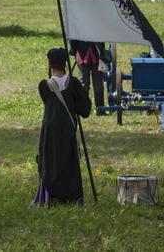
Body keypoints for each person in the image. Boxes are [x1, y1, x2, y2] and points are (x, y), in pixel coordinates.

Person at [32, 48, 92, 207]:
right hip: (67, 129)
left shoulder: (44, 86)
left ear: (49, 64)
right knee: (68, 162)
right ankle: (70, 197)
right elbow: (85, 110)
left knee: (51, 162)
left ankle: (51, 196)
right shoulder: (73, 84)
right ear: (65, 64)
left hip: (50, 131)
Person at [69, 40, 105, 114]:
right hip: (96, 52)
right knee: (97, 83)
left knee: (84, 83)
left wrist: (73, 50)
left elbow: (73, 38)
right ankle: (100, 109)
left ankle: (84, 109)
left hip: (83, 51)